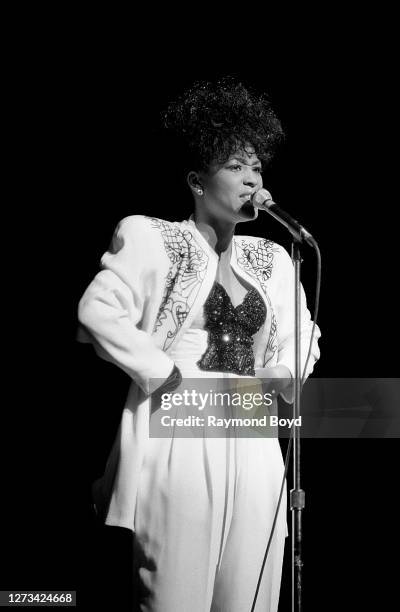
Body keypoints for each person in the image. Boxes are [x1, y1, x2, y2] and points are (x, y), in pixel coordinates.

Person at [77, 77, 321, 612]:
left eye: (256, 167)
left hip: (253, 434)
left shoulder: (276, 258)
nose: (252, 179)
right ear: (196, 180)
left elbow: (306, 332)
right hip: (180, 434)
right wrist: (160, 372)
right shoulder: (152, 236)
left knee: (251, 594)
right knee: (176, 591)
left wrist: (284, 369)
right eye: (235, 167)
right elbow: (98, 312)